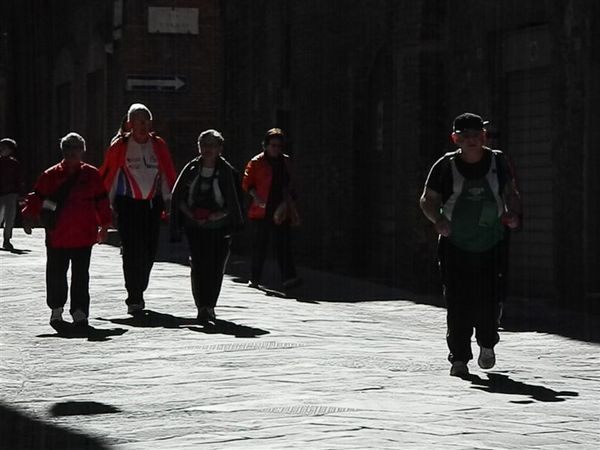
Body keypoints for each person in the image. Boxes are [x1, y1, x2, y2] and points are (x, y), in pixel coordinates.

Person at [419, 113, 521, 377]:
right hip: (455, 244)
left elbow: (511, 192)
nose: (472, 141)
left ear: (484, 136)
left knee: (489, 299)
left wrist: (512, 213)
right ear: (456, 139)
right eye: (465, 136)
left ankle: (487, 343)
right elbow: (427, 200)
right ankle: (460, 358)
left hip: (493, 243)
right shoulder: (444, 166)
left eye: (477, 135)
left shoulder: (498, 161)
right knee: (457, 302)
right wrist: (438, 219)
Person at [21, 133, 111, 330]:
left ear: (82, 150)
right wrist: (28, 217)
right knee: (56, 274)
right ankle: (56, 309)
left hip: (84, 234)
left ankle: (80, 312)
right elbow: (36, 196)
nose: (72, 152)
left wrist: (104, 226)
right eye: (68, 148)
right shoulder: (50, 175)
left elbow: (102, 201)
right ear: (63, 150)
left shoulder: (92, 174)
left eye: (76, 148)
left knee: (81, 275)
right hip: (57, 234)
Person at [99, 103, 177, 314]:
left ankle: (140, 286)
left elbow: (167, 172)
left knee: (150, 249)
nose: (142, 125)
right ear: (129, 123)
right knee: (133, 250)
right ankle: (134, 295)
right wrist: (105, 206)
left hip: (152, 205)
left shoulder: (158, 144)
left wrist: (170, 200)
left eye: (145, 121)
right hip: (127, 204)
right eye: (138, 121)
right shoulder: (120, 146)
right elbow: (110, 175)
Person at [170, 130, 244, 322]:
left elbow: (235, 202)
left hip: (220, 227)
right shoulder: (191, 169)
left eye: (212, 145)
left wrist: (216, 216)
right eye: (204, 145)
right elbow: (178, 196)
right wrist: (191, 214)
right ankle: (201, 306)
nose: (208, 149)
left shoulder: (228, 172)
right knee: (198, 264)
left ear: (220, 148)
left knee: (216, 266)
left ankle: (210, 304)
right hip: (195, 227)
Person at [242, 128, 302, 290]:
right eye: (273, 145)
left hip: (281, 209)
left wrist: (288, 202)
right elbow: (247, 183)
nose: (276, 149)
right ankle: (255, 278)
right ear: (266, 145)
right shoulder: (257, 162)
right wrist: (256, 197)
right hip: (262, 209)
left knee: (283, 243)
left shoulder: (286, 162)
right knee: (260, 245)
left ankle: (288, 277)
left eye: (279, 146)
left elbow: (293, 184)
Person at [0, 138, 24, 250]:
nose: (1, 150)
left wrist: (20, 194)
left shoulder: (14, 164)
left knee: (9, 218)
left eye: (4, 148)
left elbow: (18, 179)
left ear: (10, 150)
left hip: (10, 194)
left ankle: (6, 240)